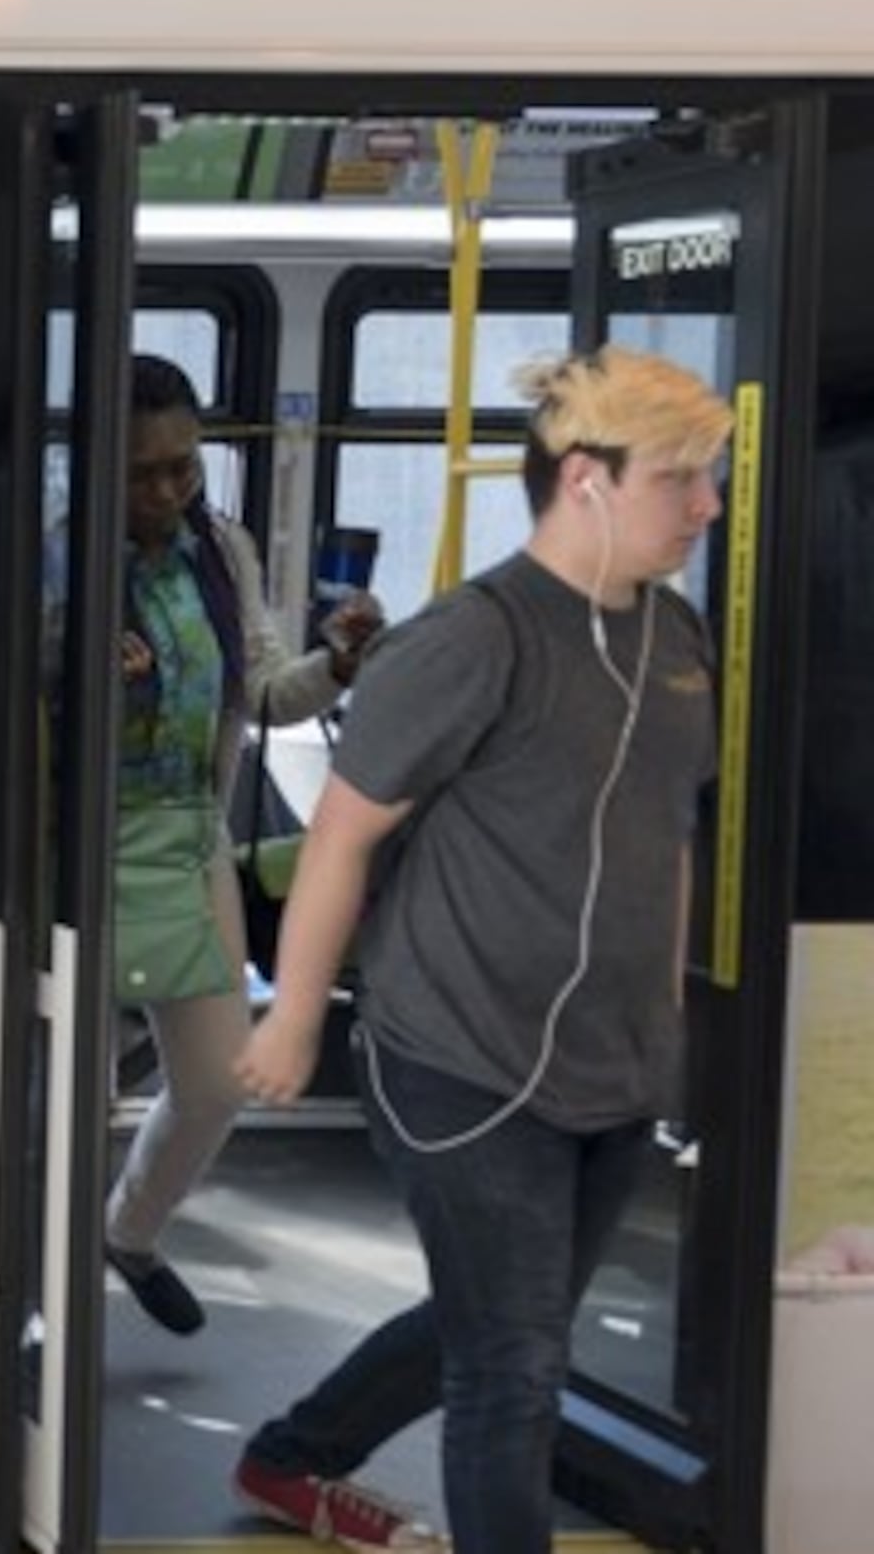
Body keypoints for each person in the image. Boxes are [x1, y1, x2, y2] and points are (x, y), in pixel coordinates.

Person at [229, 346, 731, 1554]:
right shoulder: (473, 639)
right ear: (587, 480)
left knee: (509, 1324)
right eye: (680, 478)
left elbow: (664, 835)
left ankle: (293, 1456)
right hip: (456, 1057)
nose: (708, 506)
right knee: (513, 1369)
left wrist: (666, 1020)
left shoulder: (677, 638)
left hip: (614, 1065)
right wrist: (293, 1017)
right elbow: (343, 836)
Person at [99, 355, 383, 1336]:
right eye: (143, 472)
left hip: (188, 835)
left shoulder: (221, 549)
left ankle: (129, 1232)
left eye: (184, 465)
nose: (168, 491)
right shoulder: (56, 554)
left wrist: (337, 664)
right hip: (74, 855)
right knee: (57, 1099)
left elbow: (261, 691)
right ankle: (35, 1287)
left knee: (219, 1082)